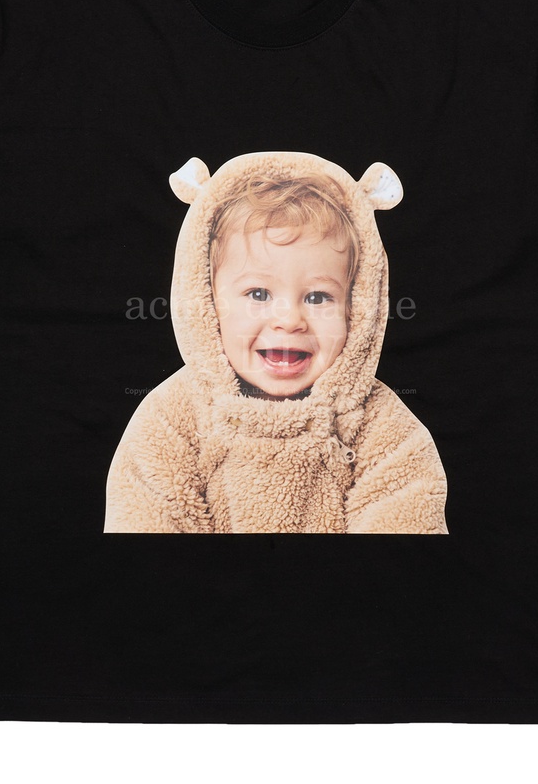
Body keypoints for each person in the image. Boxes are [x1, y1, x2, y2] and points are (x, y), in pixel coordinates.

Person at [103, 150, 448, 533]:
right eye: (258, 294)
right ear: (207, 303)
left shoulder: (384, 429)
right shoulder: (171, 420)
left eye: (318, 297)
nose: (289, 320)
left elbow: (407, 521)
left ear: (357, 310)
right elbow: (144, 520)